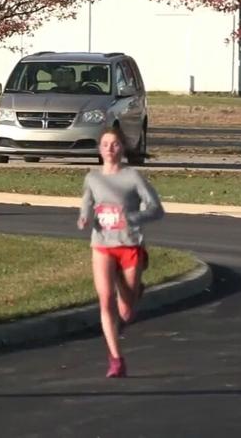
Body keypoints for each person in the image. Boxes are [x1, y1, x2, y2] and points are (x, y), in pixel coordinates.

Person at [77, 127, 164, 378]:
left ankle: (131, 287)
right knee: (105, 300)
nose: (110, 149)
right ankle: (115, 359)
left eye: (115, 144)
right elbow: (87, 202)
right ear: (99, 149)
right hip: (102, 244)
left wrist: (133, 217)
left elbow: (157, 209)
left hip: (129, 244)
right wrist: (84, 217)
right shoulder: (92, 178)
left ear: (122, 148)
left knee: (126, 311)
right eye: (105, 144)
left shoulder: (132, 177)